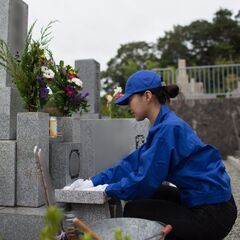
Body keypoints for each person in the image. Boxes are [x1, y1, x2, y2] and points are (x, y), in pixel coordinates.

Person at [68, 70, 237, 240]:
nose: (128, 106)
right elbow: (131, 164)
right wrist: (93, 181)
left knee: (135, 210)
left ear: (147, 95)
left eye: (130, 100)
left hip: (213, 213)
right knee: (148, 196)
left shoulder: (167, 129)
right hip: (207, 201)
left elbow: (145, 180)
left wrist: (107, 189)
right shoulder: (164, 124)